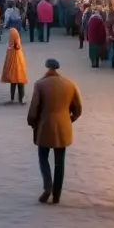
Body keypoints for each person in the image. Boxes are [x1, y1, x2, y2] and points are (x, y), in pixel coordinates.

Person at [27, 59, 82, 205]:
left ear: (47, 68)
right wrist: (70, 119)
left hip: (45, 125)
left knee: (43, 157)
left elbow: (34, 109)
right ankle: (57, 194)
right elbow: (78, 108)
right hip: (63, 126)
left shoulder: (40, 84)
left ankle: (47, 185)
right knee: (60, 161)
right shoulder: (70, 84)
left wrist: (32, 122)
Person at [1, 27, 28, 104]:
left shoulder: (11, 48)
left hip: (13, 69)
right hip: (18, 68)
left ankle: (13, 98)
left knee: (14, 82)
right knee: (20, 82)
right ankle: (21, 98)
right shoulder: (18, 49)